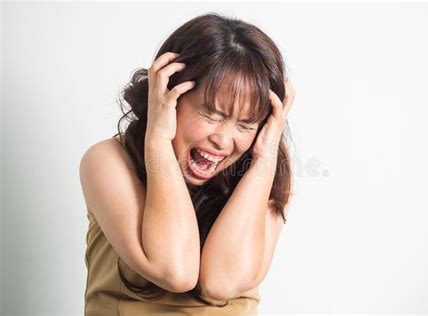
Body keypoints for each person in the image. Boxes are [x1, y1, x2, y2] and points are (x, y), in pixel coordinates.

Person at [79, 12, 295, 315]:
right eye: (212, 114)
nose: (223, 141)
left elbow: (221, 281)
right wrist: (158, 142)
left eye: (245, 125)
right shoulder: (107, 161)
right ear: (169, 95)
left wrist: (265, 158)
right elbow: (174, 270)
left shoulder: (262, 175)